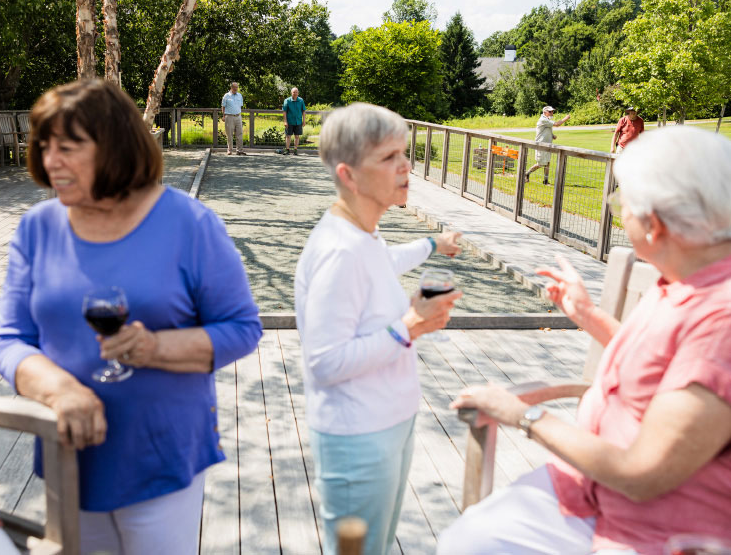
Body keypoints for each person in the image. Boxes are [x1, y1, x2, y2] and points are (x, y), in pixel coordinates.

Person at [0, 79, 263, 554]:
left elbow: (242, 329)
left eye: (69, 147)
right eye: (45, 145)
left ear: (115, 146)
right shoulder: (37, 227)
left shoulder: (190, 223)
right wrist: (61, 389)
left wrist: (158, 348)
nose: (51, 160)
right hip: (70, 456)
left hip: (160, 456)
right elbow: (8, 341)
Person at [438, 126, 731, 555]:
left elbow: (642, 474)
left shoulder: (719, 318)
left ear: (655, 225)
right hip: (594, 488)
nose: (617, 211)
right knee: (468, 539)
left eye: (620, 204)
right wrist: (587, 315)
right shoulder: (687, 282)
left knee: (469, 544)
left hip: (655, 527)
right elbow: (663, 370)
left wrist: (522, 414)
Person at [295, 102, 463, 555]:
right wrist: (408, 325)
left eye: (405, 153)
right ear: (348, 175)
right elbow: (325, 363)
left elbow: (381, 270)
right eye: (389, 158)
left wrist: (430, 249)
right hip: (358, 436)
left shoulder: (363, 235)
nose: (406, 166)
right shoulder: (340, 250)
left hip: (390, 423)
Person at [525, 106, 570, 185]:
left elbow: (546, 130)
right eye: (550, 111)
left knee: (547, 163)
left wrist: (552, 135)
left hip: (547, 144)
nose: (552, 113)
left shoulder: (547, 120)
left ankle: (545, 181)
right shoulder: (543, 119)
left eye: (552, 111)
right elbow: (557, 124)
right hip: (541, 144)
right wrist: (565, 118)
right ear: (545, 112)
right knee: (540, 164)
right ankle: (527, 173)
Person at [221, 81, 246, 155]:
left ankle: (239, 150)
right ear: (231, 87)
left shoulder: (240, 95)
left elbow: (240, 106)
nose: (236, 89)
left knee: (239, 134)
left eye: (237, 87)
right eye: (234, 87)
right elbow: (223, 106)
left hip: (238, 116)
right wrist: (223, 116)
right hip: (229, 117)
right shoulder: (226, 96)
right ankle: (229, 150)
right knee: (229, 134)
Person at [282, 87, 306, 155]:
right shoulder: (287, 100)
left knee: (297, 136)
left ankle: (295, 150)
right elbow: (284, 112)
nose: (295, 94)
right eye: (294, 92)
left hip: (298, 121)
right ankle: (287, 150)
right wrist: (285, 121)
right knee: (288, 136)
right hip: (289, 122)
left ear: (298, 93)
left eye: (296, 92)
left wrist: (304, 120)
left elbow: (303, 111)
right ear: (291, 93)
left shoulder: (301, 100)